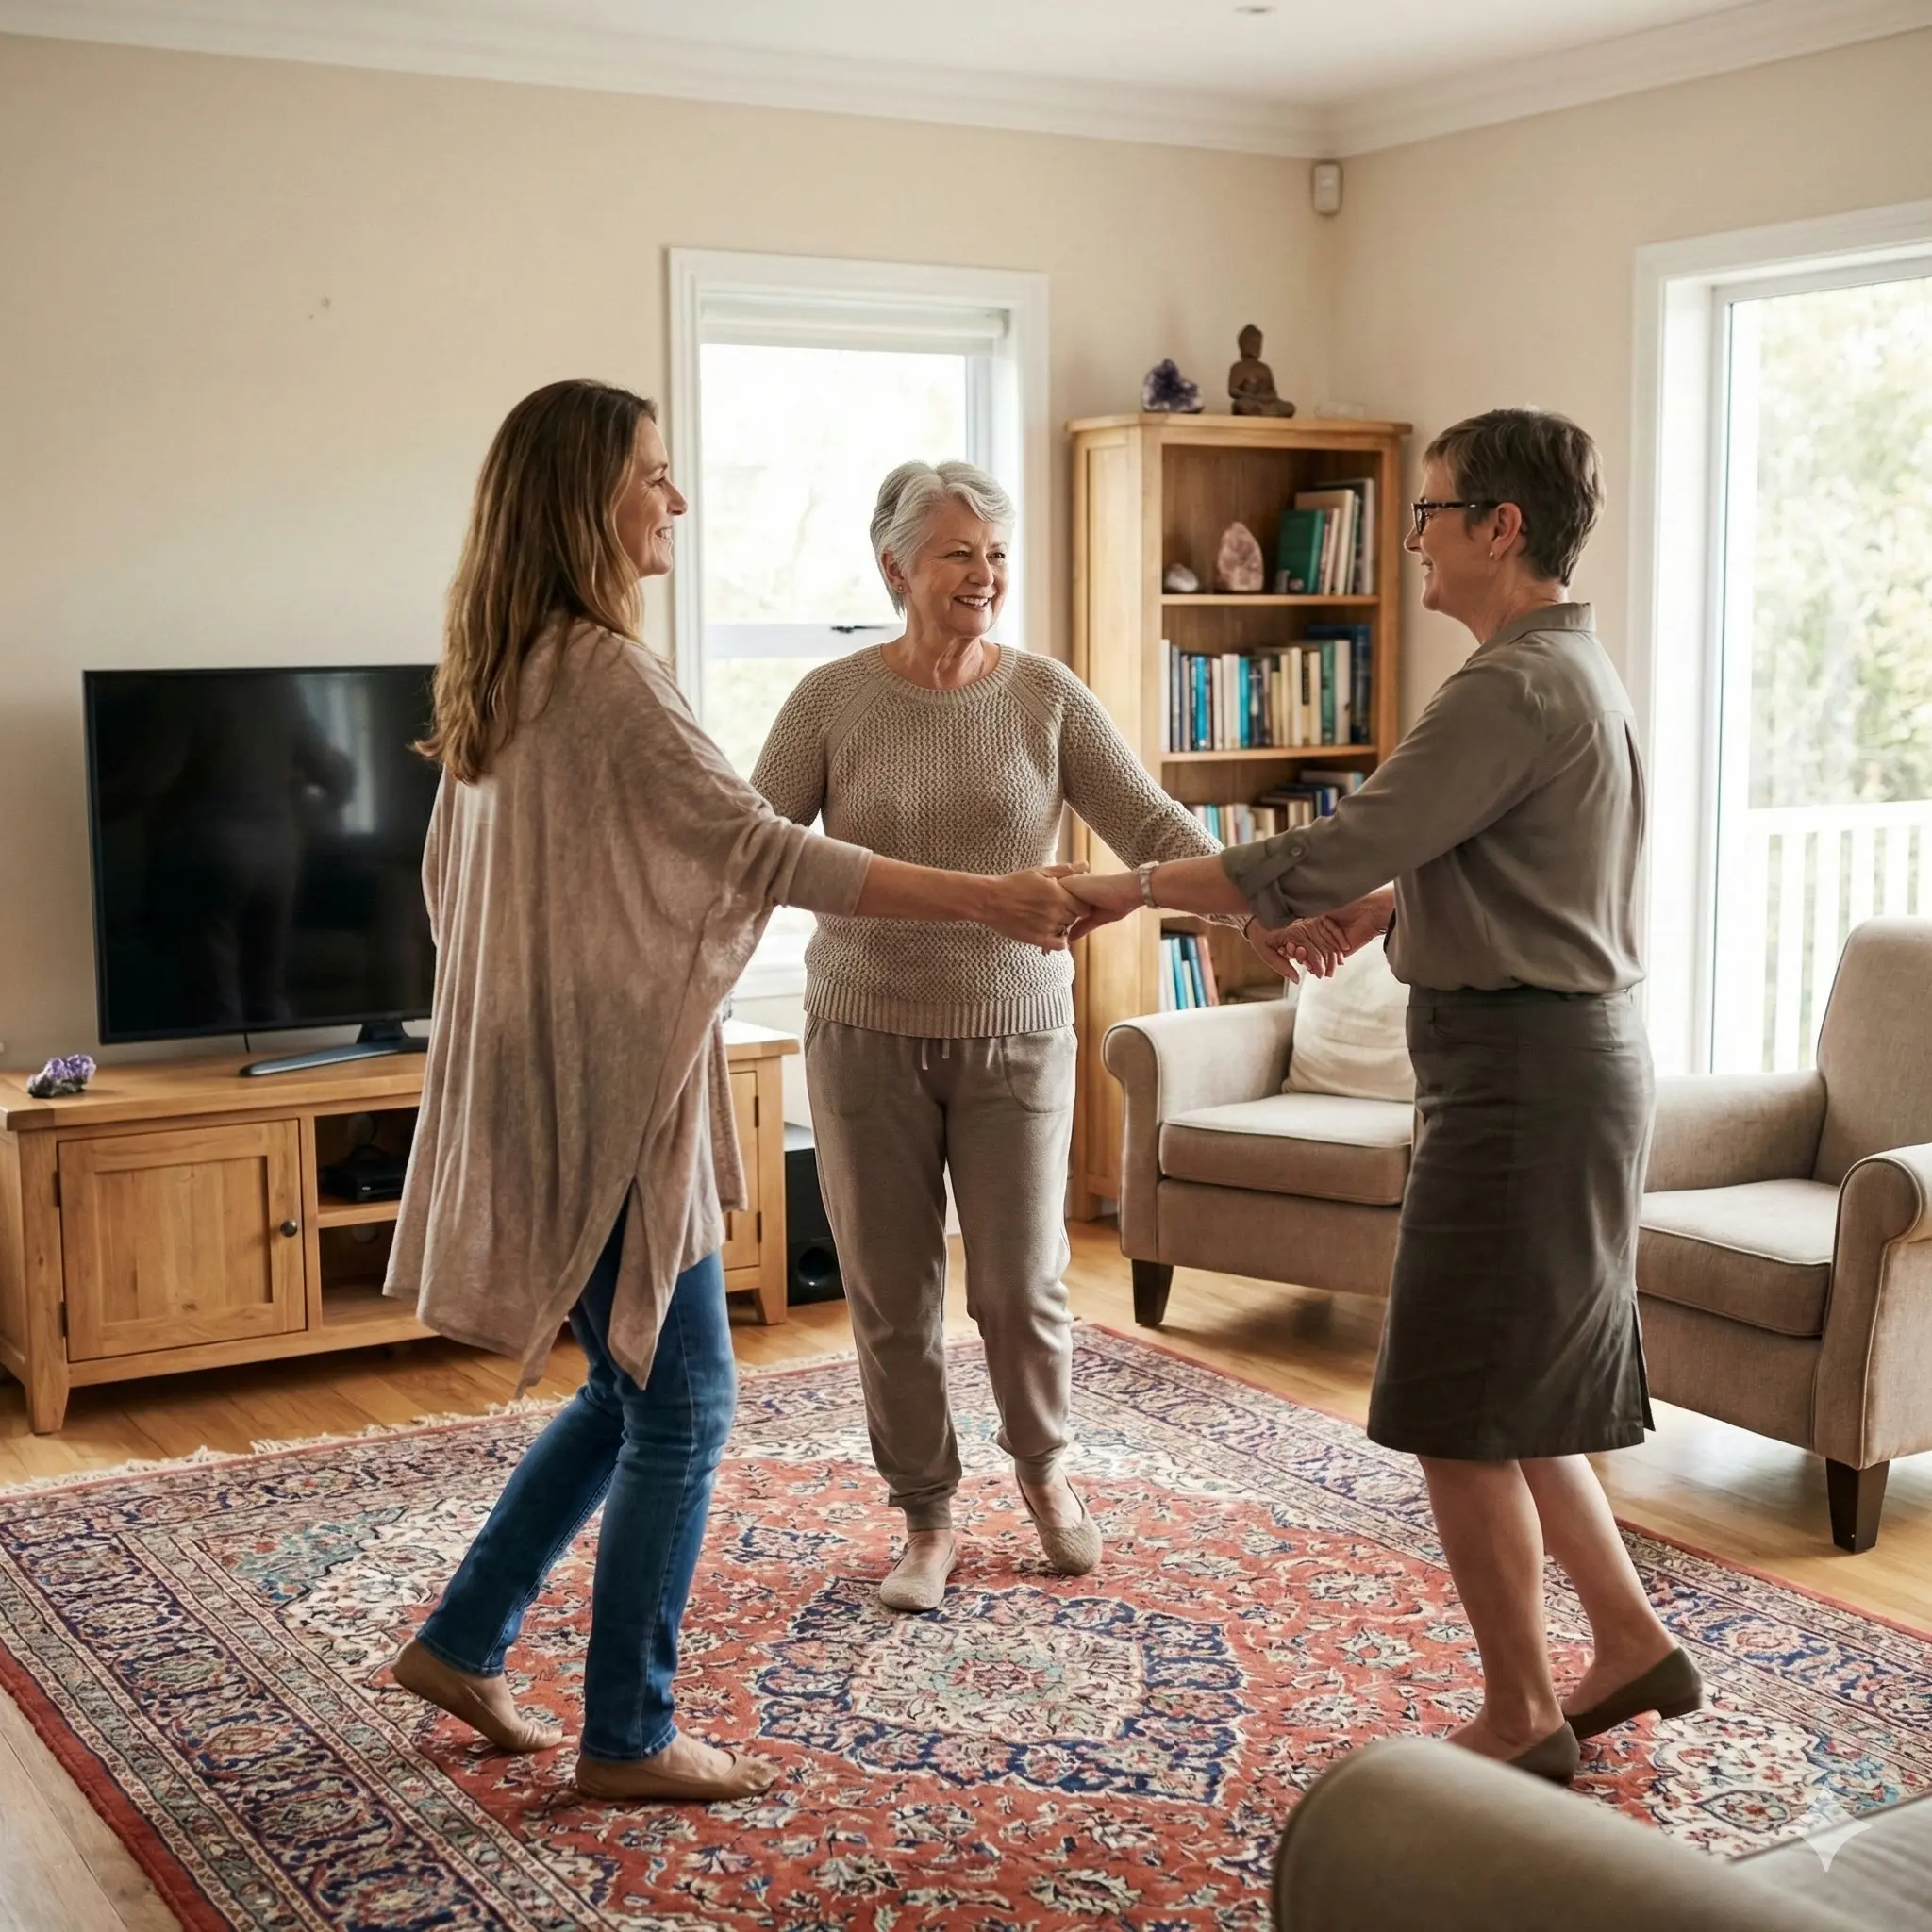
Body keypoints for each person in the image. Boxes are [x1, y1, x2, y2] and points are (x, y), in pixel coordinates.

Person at [384, 383, 1083, 1804]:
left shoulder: (503, 669)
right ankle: (630, 1736)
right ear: (591, 499)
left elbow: (459, 897)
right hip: (604, 1100)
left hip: (540, 1079)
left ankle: (463, 1638)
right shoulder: (604, 676)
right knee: (687, 1409)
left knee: (627, 1384)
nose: (678, 501)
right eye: (655, 475)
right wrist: (992, 899)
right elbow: (765, 851)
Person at [1062, 409, 1699, 1784]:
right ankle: (1631, 1642)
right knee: (1519, 1390)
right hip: (1565, 1061)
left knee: (1452, 1400)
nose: (1412, 536)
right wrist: (1381, 912)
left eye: (1430, 510)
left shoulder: (1507, 688)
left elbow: (1343, 836)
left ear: (1501, 528)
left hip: (1524, 1077)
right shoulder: (1567, 672)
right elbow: (1487, 857)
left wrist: (1126, 887)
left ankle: (1523, 1715)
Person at [753, 459, 1281, 1615]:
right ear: (894, 568)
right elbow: (764, 851)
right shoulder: (830, 702)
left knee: (1018, 1283)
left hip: (1016, 1034)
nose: (982, 575)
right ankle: (926, 1513)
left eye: (994, 554)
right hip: (863, 1032)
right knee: (892, 1290)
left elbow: (1149, 822)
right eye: (956, 553)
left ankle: (1045, 1474)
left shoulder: (1043, 694)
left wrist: (1262, 896)